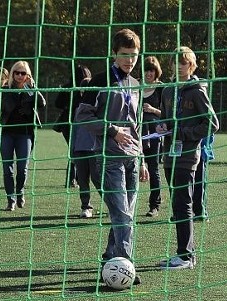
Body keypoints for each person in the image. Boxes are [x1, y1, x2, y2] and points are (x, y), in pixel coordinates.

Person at [76, 28, 148, 282]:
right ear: (114, 54)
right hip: (108, 158)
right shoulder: (100, 80)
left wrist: (143, 161)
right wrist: (112, 130)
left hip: (133, 158)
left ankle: (110, 256)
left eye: (134, 55)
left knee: (124, 214)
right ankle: (126, 264)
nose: (130, 60)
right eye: (125, 55)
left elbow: (137, 125)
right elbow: (82, 116)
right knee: (122, 215)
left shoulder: (136, 83)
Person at [154, 46, 219, 269]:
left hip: (189, 155)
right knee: (177, 205)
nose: (180, 66)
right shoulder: (167, 91)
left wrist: (185, 134)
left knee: (184, 204)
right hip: (170, 155)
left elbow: (212, 124)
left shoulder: (197, 90)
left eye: (184, 62)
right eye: (176, 62)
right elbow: (164, 119)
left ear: (191, 65)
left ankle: (187, 256)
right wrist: (162, 126)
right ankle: (182, 253)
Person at [0, 60, 46, 210]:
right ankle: (10, 199)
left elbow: (41, 103)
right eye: (16, 72)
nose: (19, 75)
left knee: (22, 167)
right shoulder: (6, 88)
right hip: (7, 132)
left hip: (25, 133)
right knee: (7, 168)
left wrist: (32, 88)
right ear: (12, 74)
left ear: (28, 75)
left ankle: (20, 192)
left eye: (23, 73)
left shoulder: (30, 89)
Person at [53, 64, 92, 188]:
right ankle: (74, 179)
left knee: (74, 151)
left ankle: (73, 179)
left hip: (68, 123)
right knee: (77, 151)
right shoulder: (87, 87)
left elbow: (57, 104)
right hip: (79, 123)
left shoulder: (68, 87)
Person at [69, 73, 101, 218]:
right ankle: (86, 207)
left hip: (95, 150)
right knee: (82, 180)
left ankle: (112, 204)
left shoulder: (99, 108)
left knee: (98, 179)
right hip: (79, 149)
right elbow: (74, 131)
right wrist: (72, 150)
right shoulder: (77, 110)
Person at [141, 56, 165, 217]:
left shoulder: (163, 88)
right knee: (131, 167)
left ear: (156, 72)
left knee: (153, 168)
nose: (149, 73)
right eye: (146, 70)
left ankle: (154, 205)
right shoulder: (136, 85)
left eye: (152, 70)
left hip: (154, 134)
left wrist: (152, 110)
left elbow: (169, 114)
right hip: (135, 132)